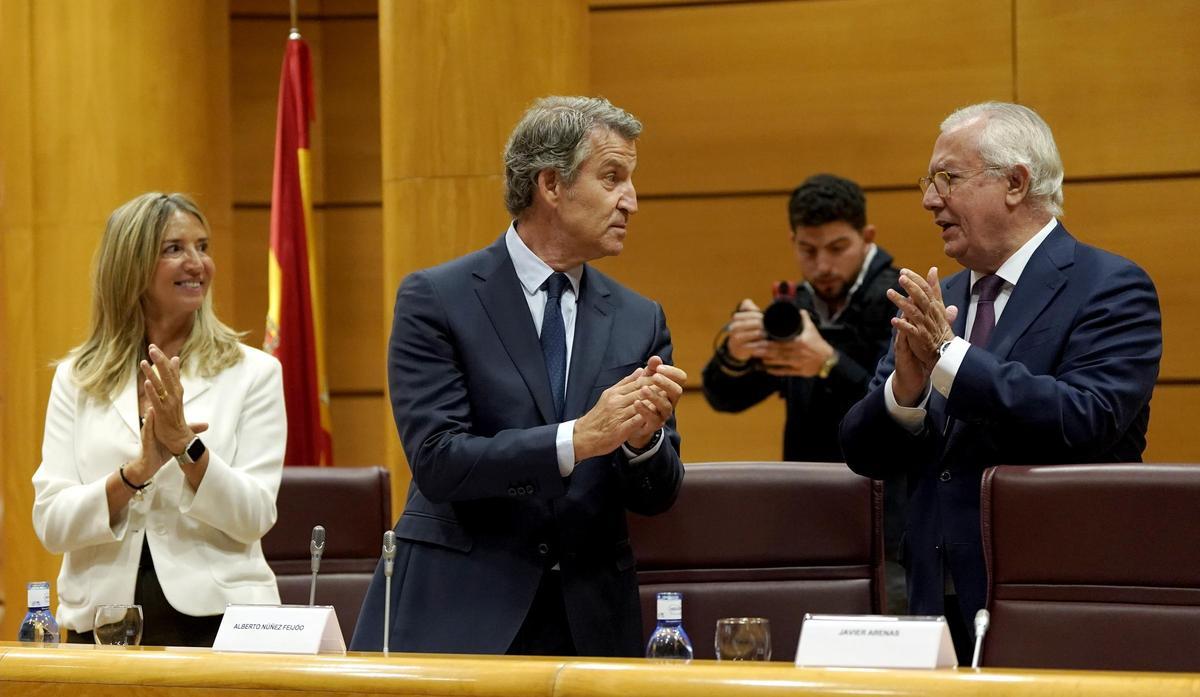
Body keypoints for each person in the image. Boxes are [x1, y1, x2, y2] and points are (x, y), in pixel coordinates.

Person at [350, 96, 686, 657]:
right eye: (612, 178)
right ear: (551, 184)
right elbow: (437, 459)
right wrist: (576, 440)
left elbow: (658, 495)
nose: (632, 200)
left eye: (630, 180)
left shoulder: (639, 318)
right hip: (463, 613)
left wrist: (642, 441)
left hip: (590, 621)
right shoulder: (437, 298)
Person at [839, 102, 1162, 661]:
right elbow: (860, 448)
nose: (929, 199)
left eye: (948, 178)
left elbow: (1086, 418)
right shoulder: (944, 297)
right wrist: (906, 394)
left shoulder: (1111, 286)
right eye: (929, 181)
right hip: (931, 602)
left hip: (1053, 596)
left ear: (1015, 182)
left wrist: (948, 355)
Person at [32, 192, 286, 647]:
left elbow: (255, 515)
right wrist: (135, 475)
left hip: (223, 625)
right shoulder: (77, 379)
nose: (198, 264)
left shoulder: (253, 374)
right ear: (130, 266)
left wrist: (188, 447)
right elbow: (51, 523)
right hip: (102, 627)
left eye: (203, 247)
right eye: (174, 249)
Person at [701, 174, 907, 611]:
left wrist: (828, 363)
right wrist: (738, 352)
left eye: (837, 248)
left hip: (888, 520)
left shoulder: (900, 301)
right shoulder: (797, 308)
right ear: (793, 240)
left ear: (866, 237)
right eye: (807, 251)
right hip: (809, 508)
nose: (822, 266)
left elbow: (901, 409)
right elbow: (725, 397)